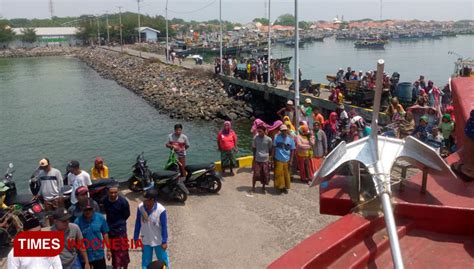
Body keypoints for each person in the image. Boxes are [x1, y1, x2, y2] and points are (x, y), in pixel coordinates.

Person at [134, 189, 170, 269]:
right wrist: (136, 237)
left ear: (152, 200)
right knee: (145, 263)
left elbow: (164, 227)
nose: (143, 202)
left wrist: (164, 241)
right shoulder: (141, 208)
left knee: (163, 262)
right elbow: (138, 223)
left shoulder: (161, 210)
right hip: (146, 240)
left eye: (146, 200)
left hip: (158, 241)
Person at [75, 201, 111, 269]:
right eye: (85, 210)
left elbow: (105, 234)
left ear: (93, 209)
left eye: (90, 209)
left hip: (98, 255)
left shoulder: (100, 218)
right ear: (82, 209)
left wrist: (108, 250)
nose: (88, 211)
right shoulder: (77, 222)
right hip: (85, 257)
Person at [103, 184, 131, 269]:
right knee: (114, 251)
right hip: (110, 229)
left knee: (123, 250)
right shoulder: (105, 201)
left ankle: (124, 266)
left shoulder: (123, 202)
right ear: (108, 192)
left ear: (118, 192)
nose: (113, 194)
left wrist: (120, 223)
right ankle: (116, 266)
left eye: (115, 192)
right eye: (111, 192)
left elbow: (127, 214)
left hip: (120, 229)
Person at [35, 158, 64, 225]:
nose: (44, 168)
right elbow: (41, 185)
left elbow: (60, 184)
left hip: (55, 198)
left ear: (49, 164)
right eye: (43, 167)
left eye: (45, 166)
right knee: (50, 217)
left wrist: (60, 195)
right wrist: (38, 194)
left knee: (59, 216)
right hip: (46, 200)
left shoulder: (56, 172)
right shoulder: (41, 174)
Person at [272, 125, 296, 194]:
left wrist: (291, 160)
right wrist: (272, 157)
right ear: (281, 131)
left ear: (287, 131)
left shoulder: (290, 139)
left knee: (286, 174)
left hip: (287, 159)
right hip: (278, 158)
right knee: (279, 174)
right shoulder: (276, 137)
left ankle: (285, 187)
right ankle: (280, 187)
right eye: (282, 130)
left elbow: (292, 150)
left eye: (285, 130)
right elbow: (274, 147)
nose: (284, 132)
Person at [252, 125, 272, 193]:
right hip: (257, 159)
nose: (259, 133)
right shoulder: (255, 138)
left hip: (265, 159)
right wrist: (254, 158)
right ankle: (253, 187)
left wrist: (269, 158)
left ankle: (263, 187)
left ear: (264, 131)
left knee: (264, 174)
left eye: (260, 131)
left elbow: (270, 149)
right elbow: (254, 148)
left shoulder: (269, 139)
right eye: (258, 131)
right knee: (255, 174)